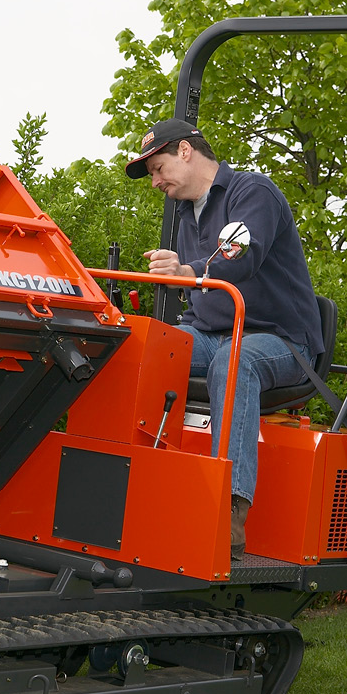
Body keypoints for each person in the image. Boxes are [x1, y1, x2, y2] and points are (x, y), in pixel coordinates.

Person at [126, 118, 323, 561]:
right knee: (146, 346)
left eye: (158, 168)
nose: (156, 181)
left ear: (184, 151)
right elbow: (203, 305)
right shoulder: (183, 212)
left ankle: (228, 511)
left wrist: (188, 272)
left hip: (281, 341)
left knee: (236, 361)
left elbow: (239, 257)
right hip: (214, 333)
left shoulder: (252, 193)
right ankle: (134, 486)